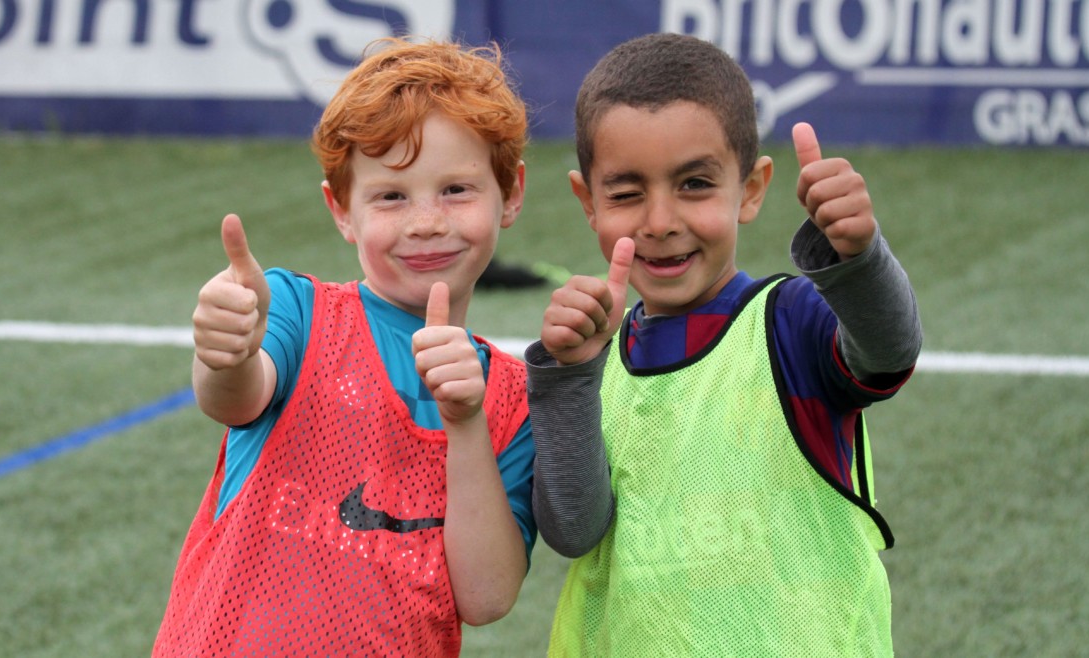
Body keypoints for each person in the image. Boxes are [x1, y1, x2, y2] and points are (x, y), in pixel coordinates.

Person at [525, 33, 922, 656]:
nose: (659, 220)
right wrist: (568, 377)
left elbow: (888, 352)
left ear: (753, 187)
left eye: (694, 184)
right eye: (626, 194)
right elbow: (573, 531)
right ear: (588, 201)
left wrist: (857, 258)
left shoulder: (788, 322)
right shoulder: (591, 359)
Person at [153, 38, 535, 657]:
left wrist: (467, 424)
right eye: (391, 196)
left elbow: (486, 598)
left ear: (510, 193)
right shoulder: (299, 312)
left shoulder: (514, 399)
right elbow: (234, 398)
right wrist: (226, 352)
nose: (427, 221)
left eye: (457, 190)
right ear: (342, 210)